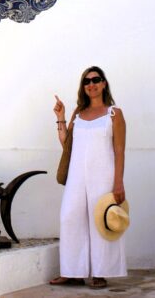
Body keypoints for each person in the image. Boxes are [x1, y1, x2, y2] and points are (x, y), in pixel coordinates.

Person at [49, 66, 127, 289]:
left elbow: (120, 150)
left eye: (96, 79)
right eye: (86, 81)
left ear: (104, 84)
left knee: (99, 221)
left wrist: (118, 182)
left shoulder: (114, 114)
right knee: (69, 218)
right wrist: (61, 118)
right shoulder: (78, 114)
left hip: (103, 176)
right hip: (76, 176)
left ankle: (100, 273)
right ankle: (72, 272)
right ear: (83, 87)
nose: (91, 84)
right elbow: (68, 146)